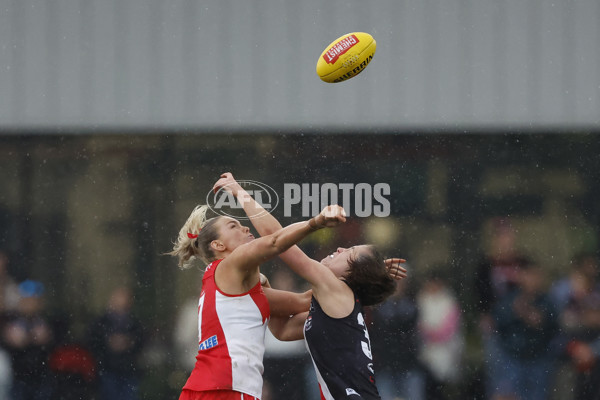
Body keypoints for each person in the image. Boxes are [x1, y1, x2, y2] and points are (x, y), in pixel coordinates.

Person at [214, 172, 406, 400]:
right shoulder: (336, 307)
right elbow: (282, 330)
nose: (342, 249)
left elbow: (275, 238)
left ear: (351, 274)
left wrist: (238, 191)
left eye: (351, 252)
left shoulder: (337, 289)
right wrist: (263, 284)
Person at [168, 193, 347, 400]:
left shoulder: (243, 290)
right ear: (218, 246)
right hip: (225, 388)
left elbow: (304, 301)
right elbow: (273, 242)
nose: (244, 227)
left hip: (214, 387)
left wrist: (365, 276)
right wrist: (315, 223)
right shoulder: (227, 266)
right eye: (233, 226)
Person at [87, 286, 145, 400]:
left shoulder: (134, 322)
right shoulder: (101, 321)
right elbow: (92, 341)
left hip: (128, 370)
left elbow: (141, 341)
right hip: (108, 368)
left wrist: (129, 343)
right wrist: (108, 342)